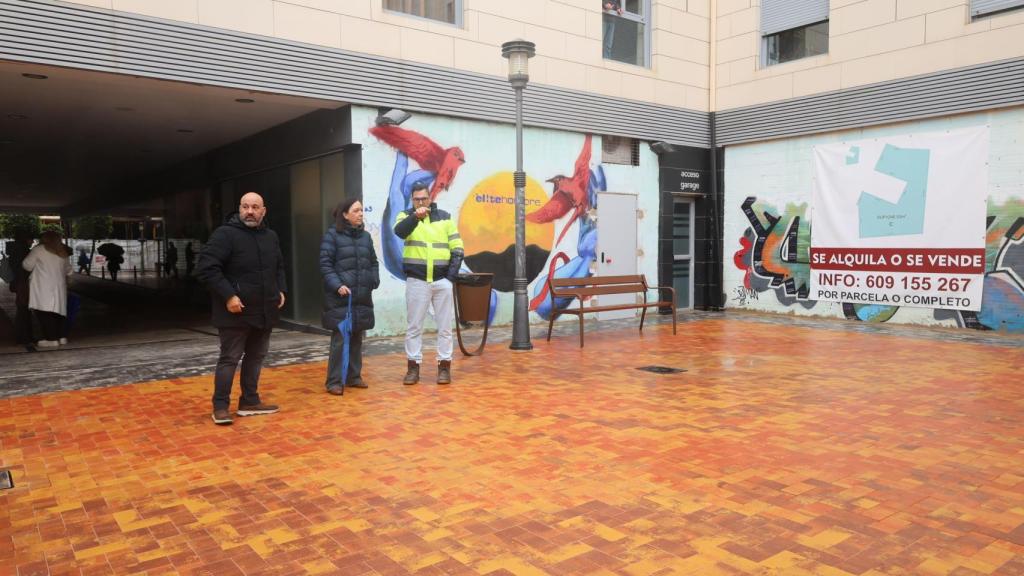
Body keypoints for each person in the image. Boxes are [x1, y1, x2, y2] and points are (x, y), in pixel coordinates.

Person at [196, 192, 286, 425]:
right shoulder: (225, 234)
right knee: (230, 359)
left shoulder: (271, 236)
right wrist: (228, 296)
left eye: (255, 207)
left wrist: (281, 290)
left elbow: (279, 266)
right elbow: (207, 268)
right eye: (245, 206)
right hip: (234, 311)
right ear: (239, 209)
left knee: (256, 357)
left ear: (263, 211)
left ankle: (249, 401)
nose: (250, 211)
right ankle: (220, 407)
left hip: (264, 310)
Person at [394, 181, 464, 385]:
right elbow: (400, 232)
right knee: (414, 326)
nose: (421, 202)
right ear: (412, 200)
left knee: (444, 327)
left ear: (430, 198)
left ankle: (444, 367)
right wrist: (415, 216)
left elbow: (457, 248)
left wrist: (449, 277)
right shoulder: (405, 216)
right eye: (416, 199)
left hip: (442, 281)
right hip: (417, 280)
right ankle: (413, 368)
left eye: (424, 198)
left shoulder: (445, 218)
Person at [319, 198, 380, 395]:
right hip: (340, 298)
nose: (361, 213)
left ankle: (354, 377)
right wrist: (338, 285)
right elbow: (325, 264)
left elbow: (373, 262)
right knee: (340, 338)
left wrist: (374, 280)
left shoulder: (366, 237)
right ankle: (334, 381)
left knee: (356, 336)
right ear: (345, 214)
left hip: (361, 296)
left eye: (362, 210)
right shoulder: (332, 236)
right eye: (356, 210)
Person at [21, 230, 72, 348]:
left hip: (43, 287)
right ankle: (61, 337)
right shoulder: (62, 251)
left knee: (43, 312)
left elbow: (27, 265)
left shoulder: (38, 250)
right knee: (59, 312)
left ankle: (51, 339)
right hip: (59, 286)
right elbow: (69, 270)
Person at [6, 230, 34, 349]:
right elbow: (25, 268)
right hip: (23, 283)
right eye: (30, 239)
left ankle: (22, 337)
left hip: (18, 282)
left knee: (22, 309)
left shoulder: (15, 249)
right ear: (25, 239)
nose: (32, 241)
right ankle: (24, 337)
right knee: (24, 310)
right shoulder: (23, 250)